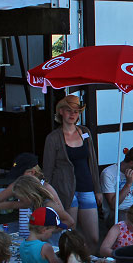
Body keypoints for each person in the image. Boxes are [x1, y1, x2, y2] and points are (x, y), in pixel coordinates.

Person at [43, 95, 102, 251]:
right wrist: (49, 196)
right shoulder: (53, 138)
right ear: (61, 111)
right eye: (69, 110)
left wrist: (98, 189)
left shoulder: (85, 132)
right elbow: (47, 170)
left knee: (94, 237)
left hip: (86, 185)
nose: (72, 114)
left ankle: (88, 262)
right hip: (65, 189)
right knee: (70, 233)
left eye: (76, 111)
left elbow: (92, 162)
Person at [0, 154, 73, 235]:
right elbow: (10, 204)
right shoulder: (27, 198)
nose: (19, 200)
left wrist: (48, 231)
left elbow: (67, 220)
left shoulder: (47, 199)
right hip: (30, 238)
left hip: (48, 243)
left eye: (20, 197)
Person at [100, 145, 133, 222]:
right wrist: (128, 184)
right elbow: (113, 205)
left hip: (132, 210)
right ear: (131, 163)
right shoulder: (108, 173)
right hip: (116, 212)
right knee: (127, 220)